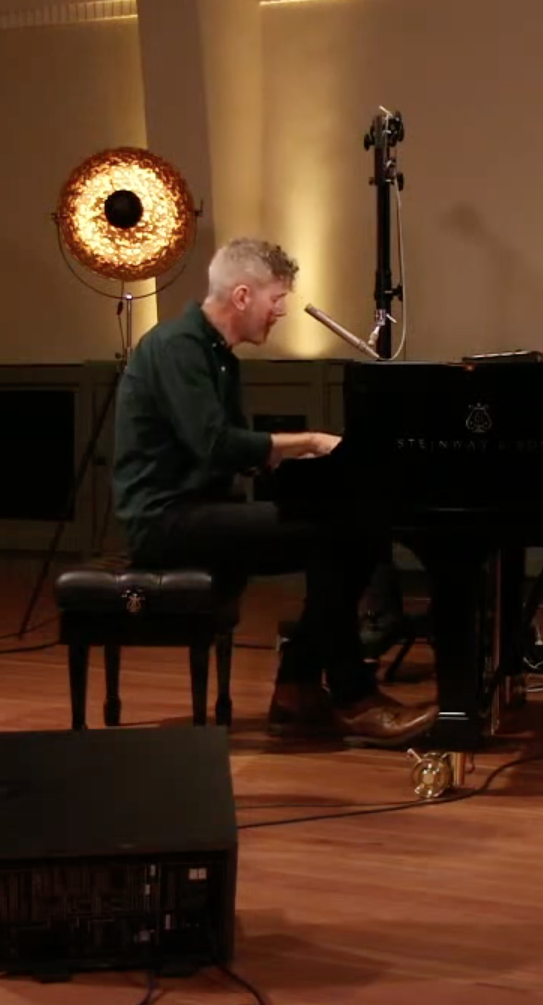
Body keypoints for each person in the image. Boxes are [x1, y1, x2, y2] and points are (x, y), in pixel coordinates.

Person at [112, 237, 436, 748]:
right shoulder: (178, 347)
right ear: (243, 295)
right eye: (276, 298)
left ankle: (299, 690)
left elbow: (236, 450)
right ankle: (347, 696)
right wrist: (309, 442)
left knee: (353, 531)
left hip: (201, 510)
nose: (281, 311)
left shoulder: (216, 354)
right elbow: (215, 445)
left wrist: (308, 468)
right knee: (338, 535)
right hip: (165, 521)